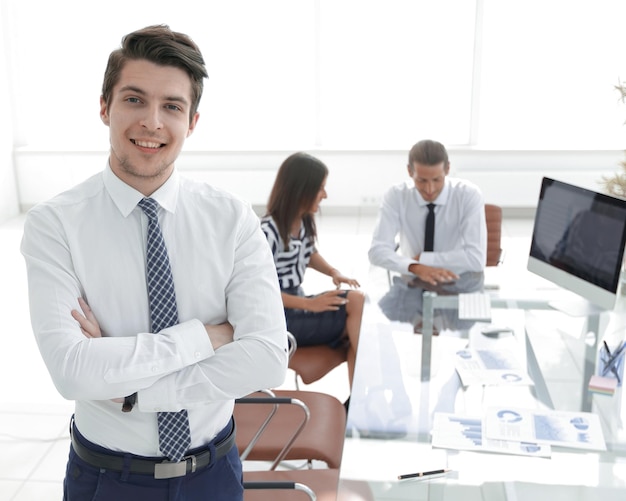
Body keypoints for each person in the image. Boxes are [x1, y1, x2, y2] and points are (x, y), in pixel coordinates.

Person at [20, 25, 287, 501]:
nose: (152, 122)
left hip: (213, 473)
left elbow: (267, 360)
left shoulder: (232, 219)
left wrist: (131, 390)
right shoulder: (54, 225)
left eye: (172, 106)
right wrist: (205, 337)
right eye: (135, 100)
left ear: (192, 121)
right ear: (104, 107)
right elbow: (73, 372)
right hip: (107, 479)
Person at [260, 152, 365, 390]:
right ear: (302, 190)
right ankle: (365, 399)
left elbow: (309, 254)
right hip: (280, 318)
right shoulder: (268, 231)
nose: (325, 195)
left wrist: (333, 272)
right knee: (357, 304)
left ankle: (358, 400)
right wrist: (309, 305)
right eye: (321, 188)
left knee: (359, 320)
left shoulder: (303, 221)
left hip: (298, 305)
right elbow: (260, 293)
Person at [368, 139, 487, 287]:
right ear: (410, 171)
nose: (430, 189)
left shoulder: (468, 194)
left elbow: (476, 259)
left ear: (448, 169)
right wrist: (416, 267)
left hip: (456, 280)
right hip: (411, 280)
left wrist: (423, 259)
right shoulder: (396, 195)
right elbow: (377, 251)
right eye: (421, 181)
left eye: (437, 180)